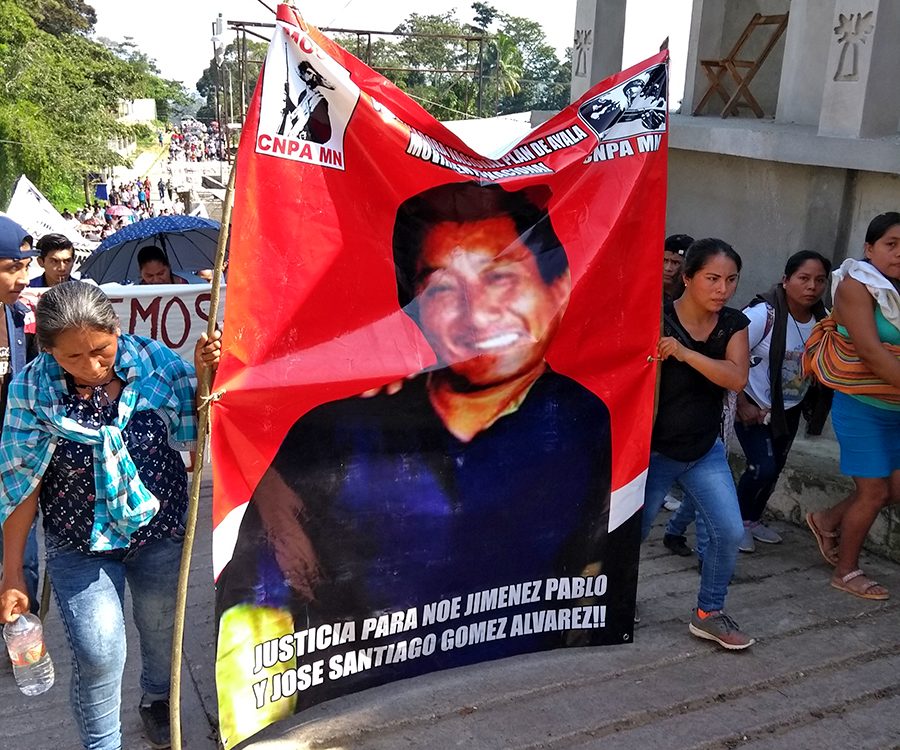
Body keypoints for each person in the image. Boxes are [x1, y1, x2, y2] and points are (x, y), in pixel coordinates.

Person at [216, 182, 616, 720]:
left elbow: (592, 571)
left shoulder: (586, 423)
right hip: (361, 717)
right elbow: (256, 608)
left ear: (560, 285)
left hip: (520, 703)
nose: (477, 314)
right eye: (443, 290)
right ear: (414, 309)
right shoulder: (333, 434)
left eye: (500, 277)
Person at [0, 280, 220, 750]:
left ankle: (157, 699)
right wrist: (13, 573)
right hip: (79, 543)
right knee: (100, 651)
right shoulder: (30, 390)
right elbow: (21, 485)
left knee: (162, 630)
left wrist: (205, 376)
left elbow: (201, 426)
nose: (94, 367)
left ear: (117, 329)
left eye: (102, 350)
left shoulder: (154, 363)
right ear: (48, 351)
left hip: (158, 533)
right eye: (73, 358)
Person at [640, 238, 753, 650]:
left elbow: (736, 377)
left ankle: (709, 613)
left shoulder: (733, 325)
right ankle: (611, 602)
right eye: (712, 278)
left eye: (730, 280)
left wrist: (686, 355)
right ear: (687, 278)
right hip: (652, 452)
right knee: (627, 534)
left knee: (728, 530)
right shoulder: (656, 318)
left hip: (704, 451)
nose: (722, 289)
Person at [804, 212, 900, 600]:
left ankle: (826, 519)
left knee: (894, 487)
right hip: (862, 405)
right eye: (891, 245)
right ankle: (846, 571)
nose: (899, 254)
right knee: (874, 492)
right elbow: (872, 354)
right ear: (869, 248)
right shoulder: (856, 286)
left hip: (896, 405)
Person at [735, 251, 833, 552]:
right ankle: (735, 524)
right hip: (753, 404)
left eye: (819, 280)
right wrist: (741, 404)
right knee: (761, 467)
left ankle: (752, 520)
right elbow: (729, 357)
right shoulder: (763, 315)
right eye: (803, 278)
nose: (812, 287)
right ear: (786, 279)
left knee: (775, 467)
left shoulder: (823, 320)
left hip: (787, 409)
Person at [0, 217, 41, 611]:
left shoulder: (16, 319)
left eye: (27, 266)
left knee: (22, 560)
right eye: (13, 267)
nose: (25, 278)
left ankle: (18, 638)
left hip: (13, 467)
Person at [662, 233, 692, 304]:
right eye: (665, 261)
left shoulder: (694, 299)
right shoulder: (649, 294)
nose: (668, 268)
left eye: (675, 263)